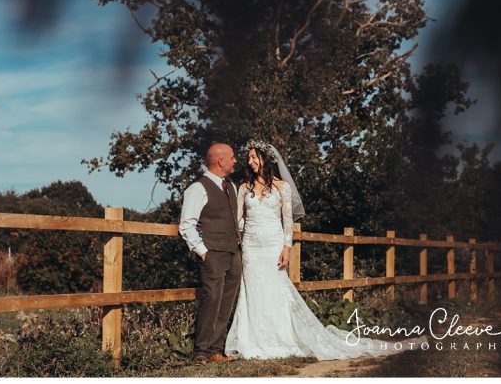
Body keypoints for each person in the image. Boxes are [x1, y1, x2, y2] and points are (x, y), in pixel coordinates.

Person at [224, 140, 427, 360]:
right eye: (249, 158)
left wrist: (287, 247)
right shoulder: (244, 188)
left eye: (254, 157)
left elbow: (288, 221)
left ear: (266, 159)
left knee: (275, 292)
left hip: (273, 245)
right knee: (252, 292)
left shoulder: (282, 187)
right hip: (252, 249)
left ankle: (279, 337)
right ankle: (253, 340)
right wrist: (245, 236)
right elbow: (238, 220)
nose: (250, 161)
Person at [179, 143, 242, 365]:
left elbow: (237, 220)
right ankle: (201, 352)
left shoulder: (232, 187)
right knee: (212, 299)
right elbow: (186, 225)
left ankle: (216, 350)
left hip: (234, 253)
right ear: (220, 161)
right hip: (212, 253)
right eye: (232, 157)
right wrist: (203, 253)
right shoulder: (198, 188)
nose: (235, 161)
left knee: (226, 301)